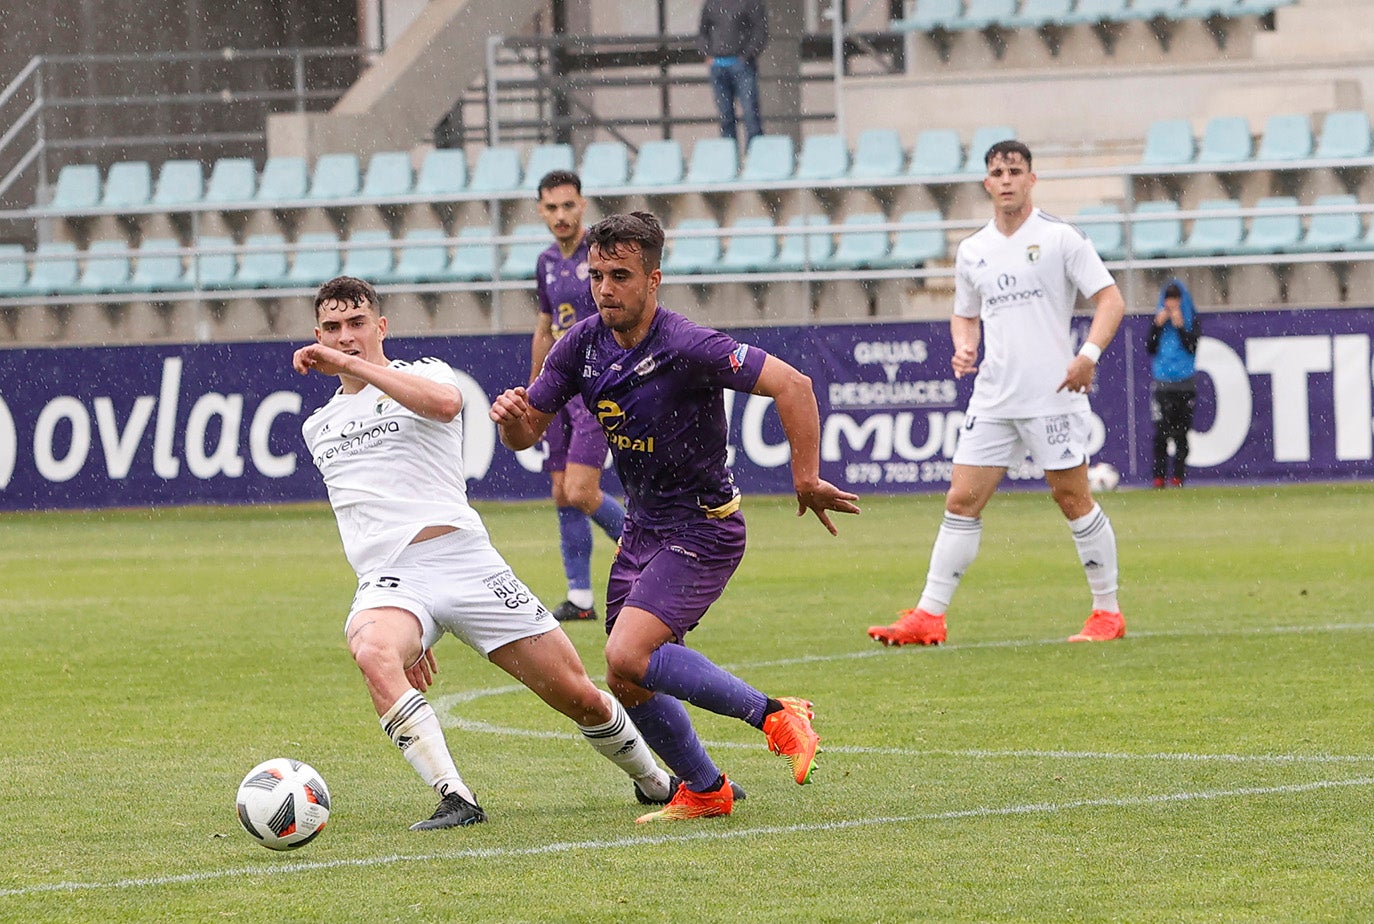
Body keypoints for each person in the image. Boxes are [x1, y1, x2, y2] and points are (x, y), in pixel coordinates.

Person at [490, 211, 860, 823]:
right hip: (643, 531)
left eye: (621, 276)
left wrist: (804, 476)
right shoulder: (579, 344)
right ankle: (706, 788)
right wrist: (512, 423)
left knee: (627, 657)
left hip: (704, 528)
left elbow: (794, 385)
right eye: (597, 276)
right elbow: (529, 433)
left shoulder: (689, 346)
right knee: (626, 679)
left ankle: (775, 714)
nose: (605, 289)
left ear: (653, 279)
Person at [293, 275, 675, 831]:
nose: (345, 337)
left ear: (381, 328)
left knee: (578, 696)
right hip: (393, 581)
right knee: (373, 649)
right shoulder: (318, 426)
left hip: (465, 561)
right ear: (317, 333)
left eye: (356, 325)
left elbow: (447, 406)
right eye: (332, 328)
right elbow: (360, 516)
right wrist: (405, 622)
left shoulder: (425, 375)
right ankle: (456, 797)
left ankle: (656, 781)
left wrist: (354, 367)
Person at [866, 140, 1128, 648]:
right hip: (993, 397)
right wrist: (965, 346)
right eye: (997, 172)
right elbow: (965, 312)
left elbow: (1110, 299)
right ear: (987, 183)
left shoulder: (1060, 238)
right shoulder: (973, 250)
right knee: (961, 500)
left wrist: (1088, 356)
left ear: (1031, 179)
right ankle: (929, 615)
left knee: (1072, 497)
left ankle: (1107, 611)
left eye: (1015, 170)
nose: (1006, 179)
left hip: (1052, 393)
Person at [531, 169, 627, 622]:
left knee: (581, 489)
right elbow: (544, 326)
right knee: (561, 492)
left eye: (568, 205)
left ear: (583, 205)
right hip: (557, 389)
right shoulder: (546, 262)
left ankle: (646, 551)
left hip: (594, 388)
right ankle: (581, 598)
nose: (561, 215)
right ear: (540, 211)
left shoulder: (601, 257)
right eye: (552, 207)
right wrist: (535, 391)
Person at [1146, 278, 1201, 488]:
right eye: (1169, 298)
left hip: (1185, 385)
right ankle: (1158, 478)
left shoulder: (1191, 320)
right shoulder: (1159, 321)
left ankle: (1178, 478)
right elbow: (1150, 348)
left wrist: (1179, 326)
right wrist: (1157, 326)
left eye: (1175, 298)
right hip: (1163, 385)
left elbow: (1192, 346)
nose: (1171, 303)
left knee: (1181, 435)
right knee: (1161, 434)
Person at [697, 0, 767, 147]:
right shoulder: (712, 4)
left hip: (742, 65)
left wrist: (746, 55)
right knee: (726, 116)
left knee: (750, 114)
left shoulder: (751, 4)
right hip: (719, 64)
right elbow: (703, 31)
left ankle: (754, 156)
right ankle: (730, 157)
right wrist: (707, 53)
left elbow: (760, 31)